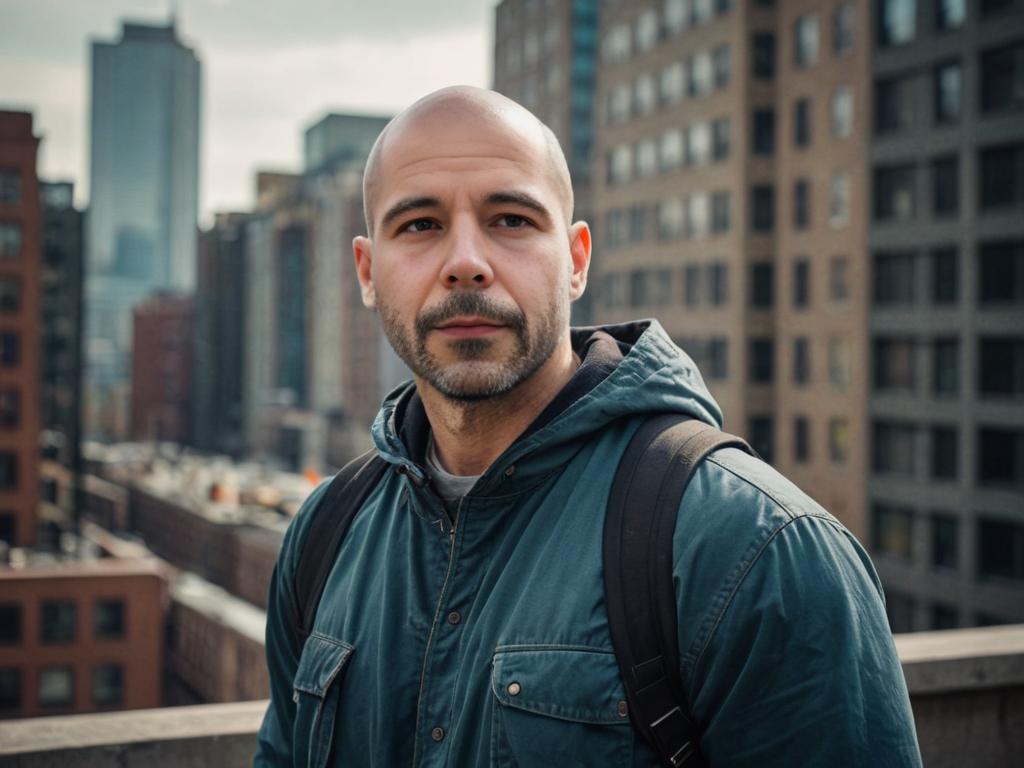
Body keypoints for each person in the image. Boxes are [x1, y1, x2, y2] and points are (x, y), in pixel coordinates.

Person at [255, 86, 922, 767]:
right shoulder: (325, 533)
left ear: (575, 261)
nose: (465, 261)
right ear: (368, 272)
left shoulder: (758, 550)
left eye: (511, 219)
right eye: (420, 225)